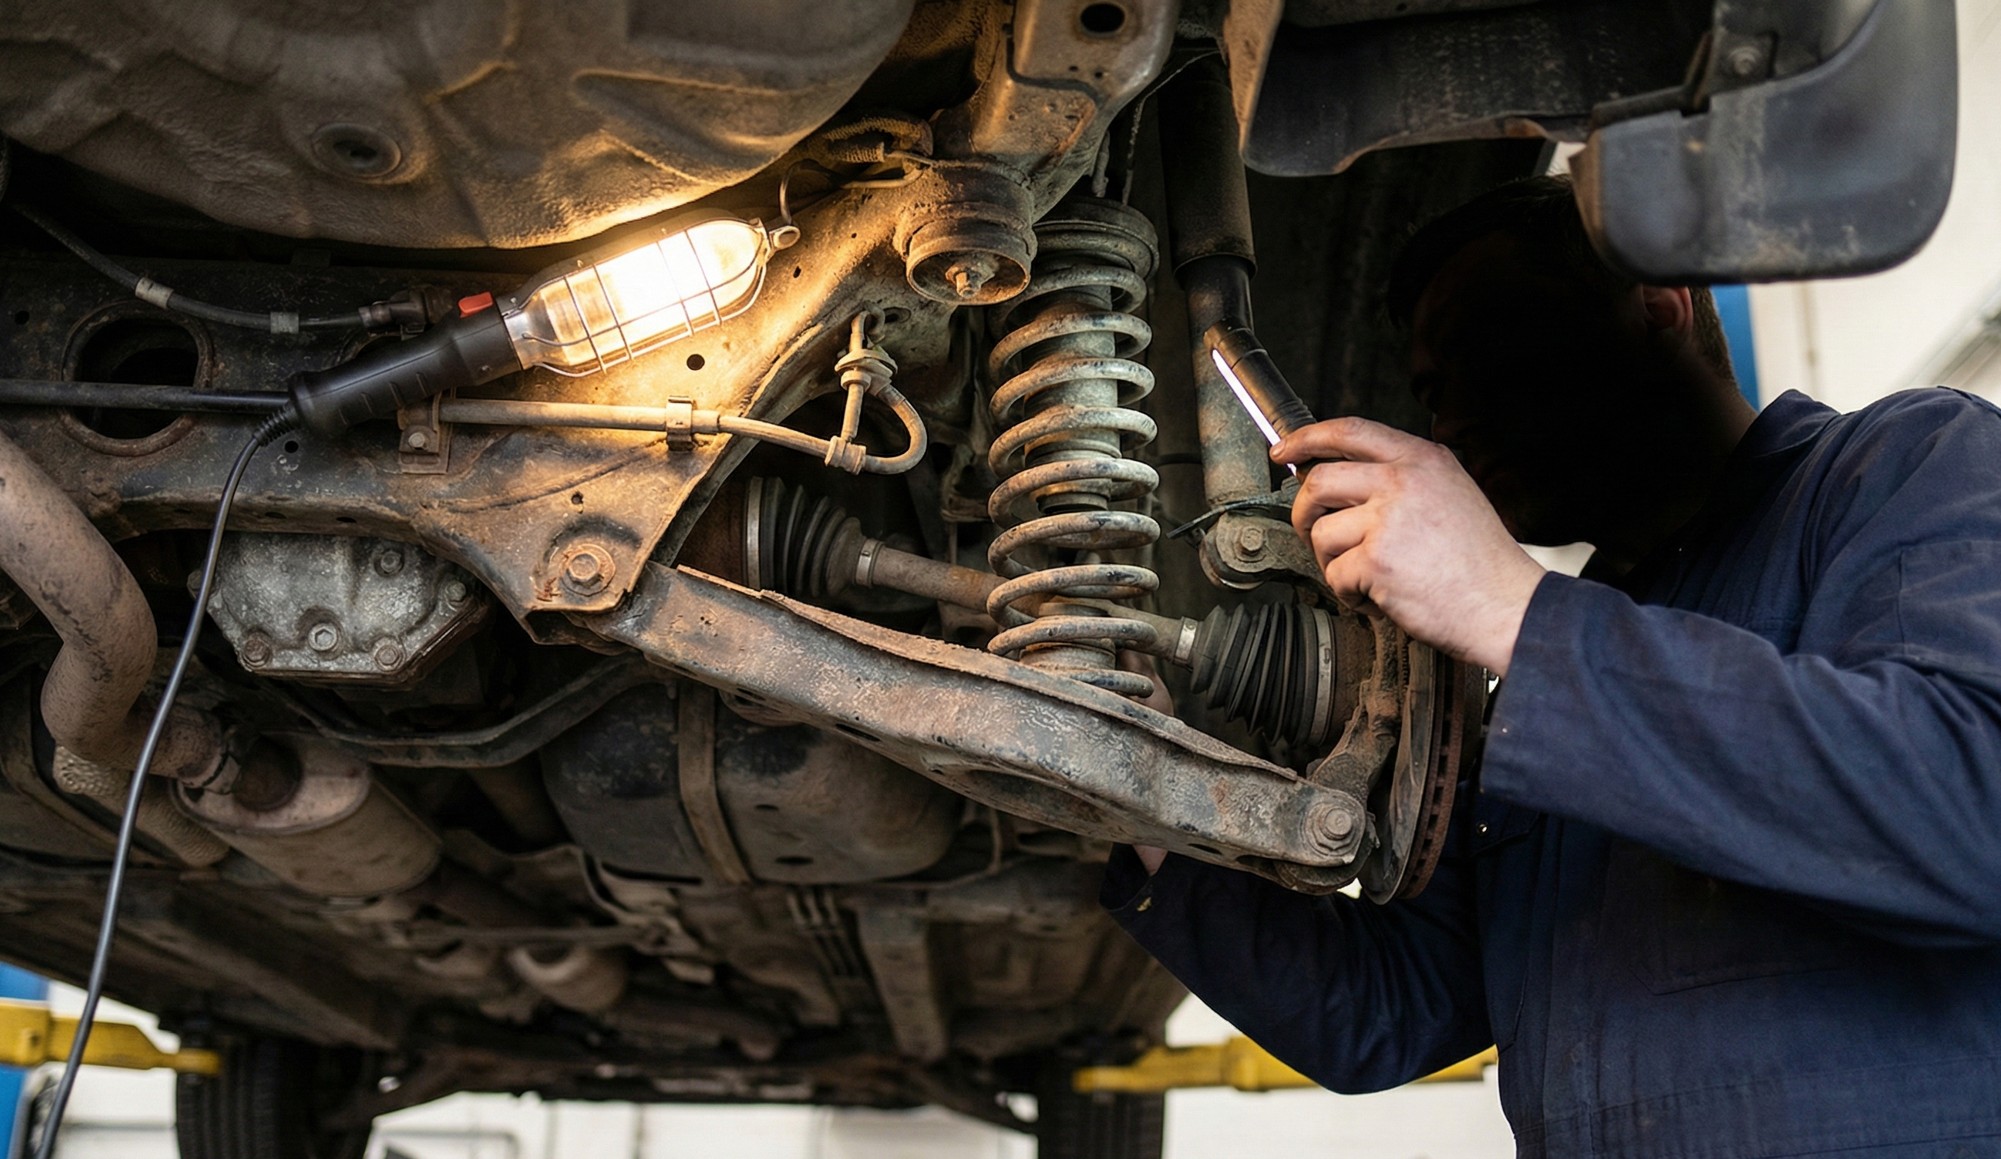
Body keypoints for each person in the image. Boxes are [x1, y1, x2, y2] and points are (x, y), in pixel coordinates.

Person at [1102, 176, 2001, 1156]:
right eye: (1435, 392)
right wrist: (1134, 797)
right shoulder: (1545, 664)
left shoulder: (1905, 464)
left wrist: (1510, 611)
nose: (1454, 423)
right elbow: (1392, 1011)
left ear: (1660, 299)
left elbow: (1971, 806)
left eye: (1493, 347)